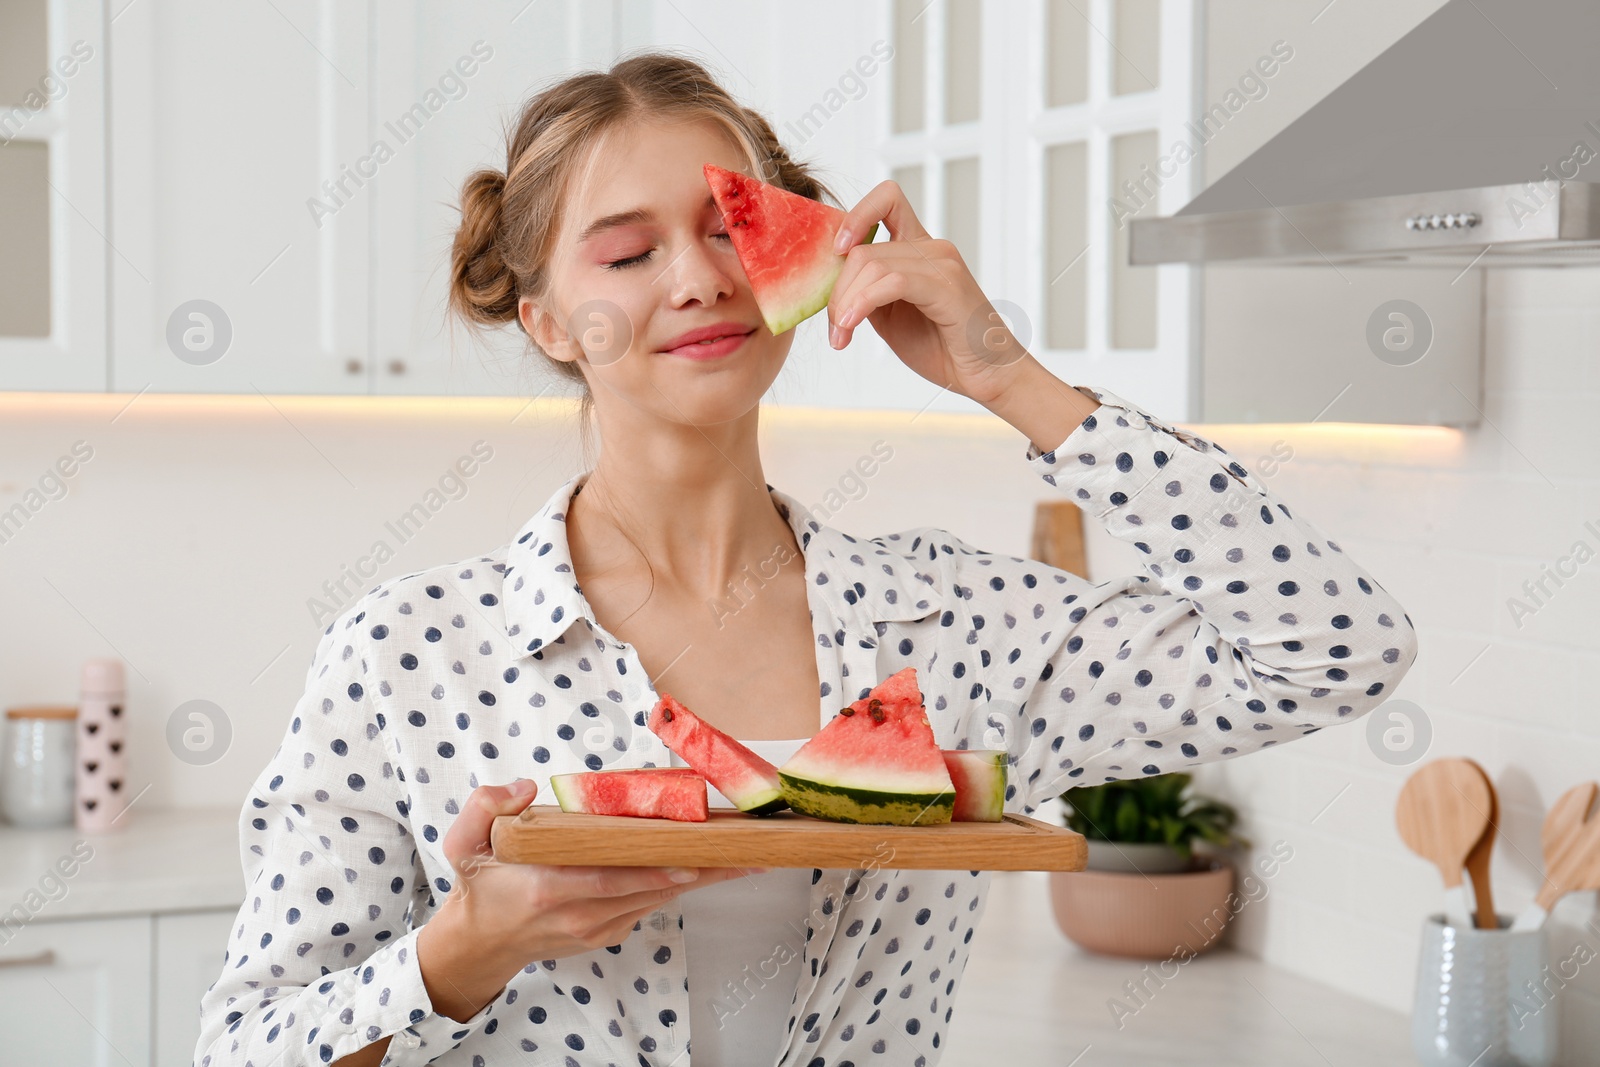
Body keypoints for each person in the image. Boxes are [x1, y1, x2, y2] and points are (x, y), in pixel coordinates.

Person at [193, 49, 1418, 1067]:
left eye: (734, 227)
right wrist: (461, 953)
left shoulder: (951, 618)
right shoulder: (411, 652)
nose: (696, 279)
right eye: (625, 254)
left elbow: (1334, 648)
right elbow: (245, 1044)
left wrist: (1012, 377)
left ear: (804, 254)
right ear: (550, 320)